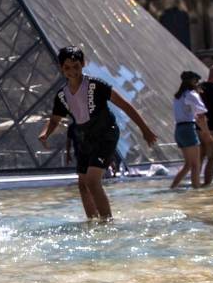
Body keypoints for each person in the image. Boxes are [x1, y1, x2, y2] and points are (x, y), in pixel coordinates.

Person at [38, 46, 158, 220]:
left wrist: (145, 130)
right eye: (67, 68)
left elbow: (125, 105)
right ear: (61, 68)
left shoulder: (96, 86)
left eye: (76, 66)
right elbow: (55, 119)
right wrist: (45, 133)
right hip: (85, 138)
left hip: (105, 134)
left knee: (92, 181)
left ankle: (107, 222)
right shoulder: (62, 95)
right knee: (82, 185)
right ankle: (92, 221)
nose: (72, 72)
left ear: (83, 64)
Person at [170, 71, 213, 190]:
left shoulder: (177, 96)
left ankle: (173, 187)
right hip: (188, 129)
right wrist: (207, 133)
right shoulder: (191, 94)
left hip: (179, 130)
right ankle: (197, 190)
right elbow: (201, 116)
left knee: (188, 164)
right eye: (196, 81)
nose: (197, 83)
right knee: (195, 165)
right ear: (192, 81)